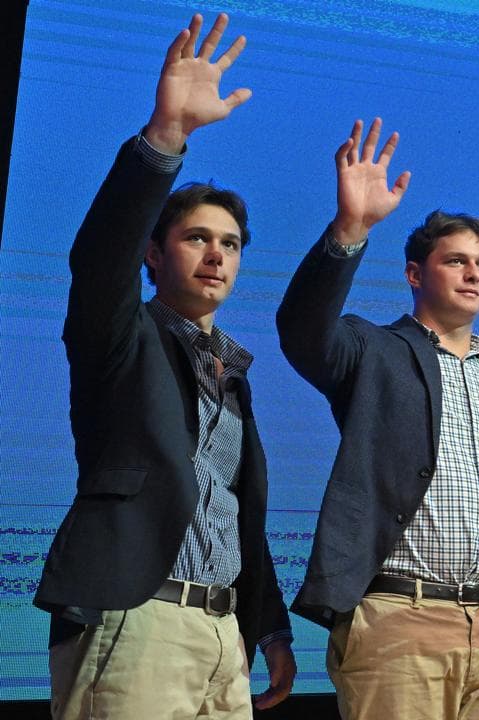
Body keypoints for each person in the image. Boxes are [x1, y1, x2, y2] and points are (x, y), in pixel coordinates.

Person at [34, 13, 296, 719]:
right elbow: (98, 259)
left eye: (231, 244)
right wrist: (165, 137)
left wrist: (267, 625)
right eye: (197, 239)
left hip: (221, 630)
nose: (217, 255)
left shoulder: (231, 370)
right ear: (154, 255)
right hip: (136, 617)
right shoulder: (121, 335)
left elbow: (228, 505)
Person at [277, 118, 479, 720]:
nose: (473, 273)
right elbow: (302, 332)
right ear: (416, 275)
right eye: (456, 261)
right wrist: (351, 229)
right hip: (401, 621)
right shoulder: (374, 351)